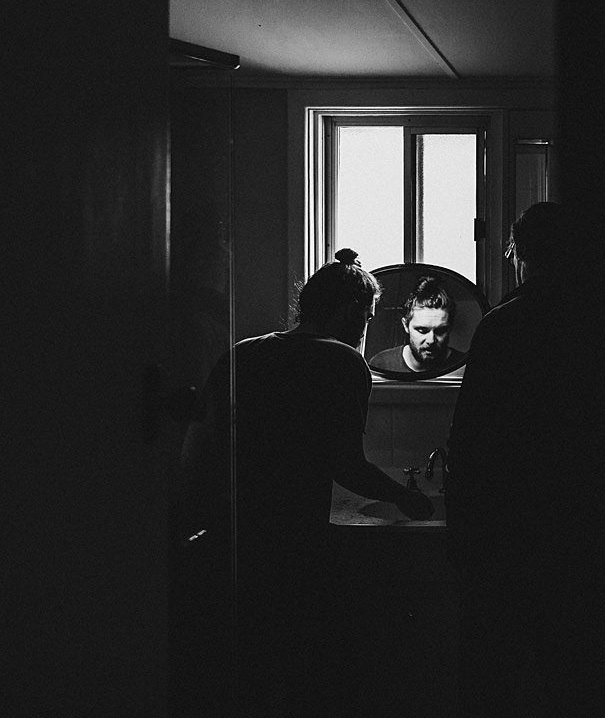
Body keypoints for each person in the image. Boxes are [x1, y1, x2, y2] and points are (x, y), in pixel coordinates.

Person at [178, 248, 433, 715]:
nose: (366, 330)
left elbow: (199, 447)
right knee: (301, 669)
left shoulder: (243, 351)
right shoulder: (341, 362)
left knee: (243, 671)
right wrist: (404, 496)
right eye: (368, 316)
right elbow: (348, 467)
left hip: (231, 536)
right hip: (294, 539)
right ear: (350, 311)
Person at [445, 201, 571, 716]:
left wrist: (464, 536)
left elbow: (471, 442)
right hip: (577, 531)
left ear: (518, 253)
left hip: (507, 534)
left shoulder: (502, 327)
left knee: (491, 679)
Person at [369, 275, 467, 375]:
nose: (431, 340)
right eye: (422, 330)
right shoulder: (381, 363)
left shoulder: (465, 365)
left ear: (450, 328)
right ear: (405, 325)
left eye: (440, 331)